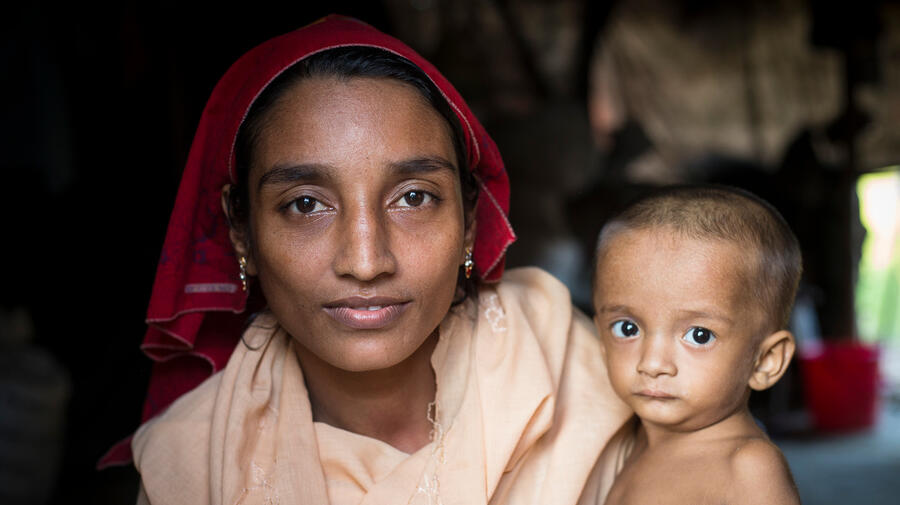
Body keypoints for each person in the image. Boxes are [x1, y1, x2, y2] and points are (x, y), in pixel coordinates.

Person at [108, 15, 631, 505]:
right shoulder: (190, 464)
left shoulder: (584, 368)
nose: (365, 261)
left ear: (470, 220)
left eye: (413, 197)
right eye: (306, 204)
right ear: (241, 231)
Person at [589, 185, 801, 505]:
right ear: (602, 340)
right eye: (627, 328)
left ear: (765, 360)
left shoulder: (748, 467)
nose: (652, 363)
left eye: (699, 335)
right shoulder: (630, 443)